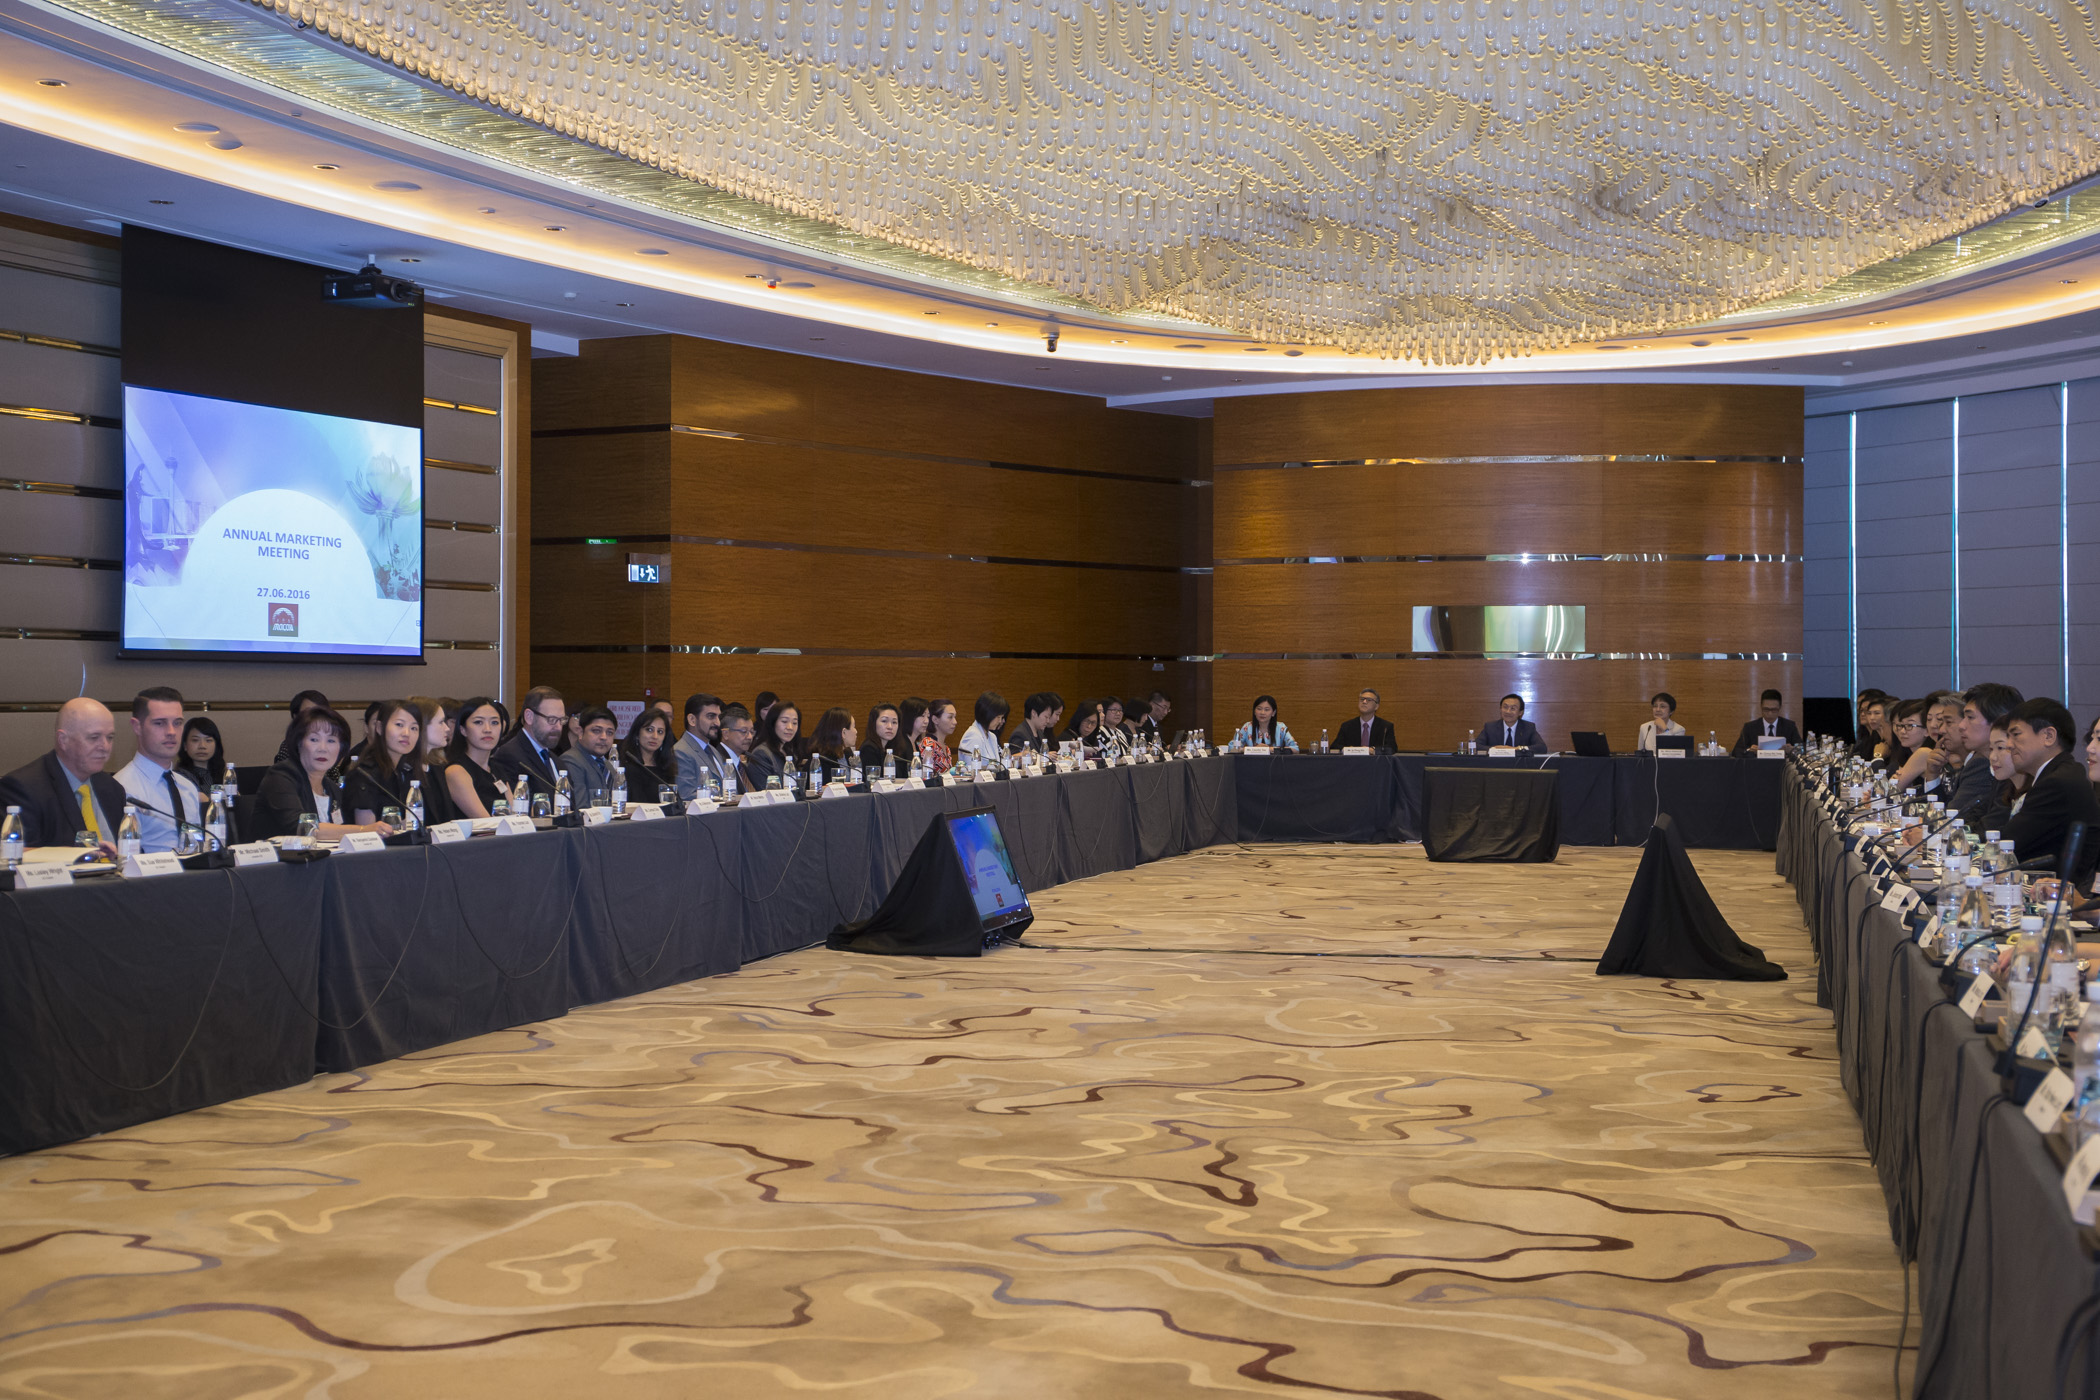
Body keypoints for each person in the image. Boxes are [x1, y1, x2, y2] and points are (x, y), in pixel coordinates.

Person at [0, 697, 124, 853]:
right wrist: (73, 854)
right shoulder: (23, 788)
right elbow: (14, 854)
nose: (105, 746)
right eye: (94, 738)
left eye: (110, 737)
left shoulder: (112, 788)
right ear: (63, 740)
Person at [254, 707, 392, 842]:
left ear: (341, 748)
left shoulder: (332, 789)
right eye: (314, 740)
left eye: (331, 741)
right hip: (276, 857)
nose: (323, 748)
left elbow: (342, 829)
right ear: (299, 743)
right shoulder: (281, 777)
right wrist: (364, 830)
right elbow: (305, 829)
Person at [2003, 698, 2100, 879]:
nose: (2009, 744)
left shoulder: (2058, 782)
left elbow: (2007, 844)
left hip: (2063, 891)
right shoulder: (2061, 773)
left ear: (2048, 736)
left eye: (2015, 734)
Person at [113, 687, 203, 854]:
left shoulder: (187, 787)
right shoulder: (122, 789)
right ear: (137, 727)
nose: (171, 732)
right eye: (159, 723)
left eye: (177, 723)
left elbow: (197, 846)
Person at [1944, 682, 2023, 823]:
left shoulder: (2014, 775)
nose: (1961, 726)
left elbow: (1990, 825)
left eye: (1970, 717)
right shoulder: (1993, 768)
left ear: (2000, 720)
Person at [344, 699, 423, 825]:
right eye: (399, 725)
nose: (407, 733)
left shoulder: (405, 771)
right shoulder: (364, 774)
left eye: (414, 728)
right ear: (380, 728)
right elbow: (366, 832)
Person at [492, 686, 566, 801]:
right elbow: (520, 806)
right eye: (551, 719)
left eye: (561, 720)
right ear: (529, 717)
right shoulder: (510, 756)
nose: (558, 727)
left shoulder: (557, 761)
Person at [443, 697, 511, 820]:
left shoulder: (497, 768)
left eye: (494, 723)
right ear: (463, 730)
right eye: (478, 722)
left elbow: (516, 816)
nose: (488, 729)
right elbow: (486, 822)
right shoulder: (456, 771)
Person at [558, 705, 621, 807]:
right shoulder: (571, 761)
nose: (604, 737)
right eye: (596, 731)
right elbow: (580, 807)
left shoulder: (607, 764)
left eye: (610, 733)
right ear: (580, 733)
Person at [409, 696, 458, 825]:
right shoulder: (405, 771)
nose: (447, 728)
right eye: (441, 722)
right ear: (422, 726)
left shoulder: (437, 767)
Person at [674, 693, 729, 800]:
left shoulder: (713, 750)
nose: (717, 723)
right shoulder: (680, 752)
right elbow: (686, 796)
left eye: (718, 717)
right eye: (711, 716)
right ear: (692, 720)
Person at [622, 707, 679, 801]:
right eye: (649, 730)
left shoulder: (667, 767)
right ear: (637, 733)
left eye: (660, 732)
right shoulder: (626, 767)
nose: (655, 736)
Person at [746, 700, 802, 789]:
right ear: (772, 723)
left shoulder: (790, 752)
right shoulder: (761, 753)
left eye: (794, 723)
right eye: (784, 721)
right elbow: (766, 791)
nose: (790, 727)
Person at [1730, 689, 1802, 756]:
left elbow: (1802, 750)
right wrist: (1750, 750)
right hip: (1757, 765)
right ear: (1761, 707)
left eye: (1774, 710)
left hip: (1782, 765)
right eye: (1766, 709)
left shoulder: (1789, 726)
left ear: (1780, 707)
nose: (1770, 713)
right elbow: (1736, 751)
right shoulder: (1749, 727)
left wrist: (1792, 750)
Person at [271, 688, 331, 764]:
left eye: (320, 712)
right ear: (295, 716)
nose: (315, 717)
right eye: (309, 712)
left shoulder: (329, 743)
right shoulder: (289, 748)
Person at [175, 715, 228, 793]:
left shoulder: (224, 775)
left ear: (216, 745)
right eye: (195, 740)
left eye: (208, 740)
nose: (202, 746)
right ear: (185, 745)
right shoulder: (180, 777)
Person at [1878, 698, 1930, 774]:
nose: (1902, 731)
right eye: (1901, 725)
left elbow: (1893, 780)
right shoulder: (1904, 753)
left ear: (1927, 730)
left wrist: (1877, 756)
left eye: (1909, 725)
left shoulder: (1925, 754)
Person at [715, 703, 758, 794]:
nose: (750, 737)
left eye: (751, 732)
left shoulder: (743, 765)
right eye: (744, 731)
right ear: (726, 734)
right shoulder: (717, 760)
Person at [1480, 694, 1545, 753]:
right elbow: (1476, 746)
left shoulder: (1528, 727)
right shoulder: (1490, 727)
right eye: (1505, 707)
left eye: (1513, 708)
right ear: (1500, 709)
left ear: (1520, 712)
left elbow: (1542, 748)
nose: (1508, 711)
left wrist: (1517, 748)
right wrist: (1495, 749)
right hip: (1496, 762)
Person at [809, 707, 861, 780]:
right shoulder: (823, 760)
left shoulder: (847, 753)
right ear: (844, 733)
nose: (856, 731)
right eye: (854, 727)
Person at [959, 692, 1009, 765]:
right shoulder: (972, 735)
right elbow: (971, 767)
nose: (1000, 721)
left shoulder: (992, 736)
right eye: (998, 717)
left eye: (1001, 717)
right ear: (987, 714)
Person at [1234, 695, 1298, 751]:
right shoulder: (1247, 727)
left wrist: (1269, 749)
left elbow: (1295, 748)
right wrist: (1254, 749)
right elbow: (1232, 748)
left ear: (1273, 713)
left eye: (1267, 709)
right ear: (1254, 711)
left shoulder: (1281, 727)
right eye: (1259, 709)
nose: (1262, 713)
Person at [920, 698, 958, 776]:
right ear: (935, 719)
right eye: (950, 717)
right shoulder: (928, 744)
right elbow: (926, 775)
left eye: (955, 717)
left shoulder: (946, 747)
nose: (955, 722)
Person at [861, 704, 903, 773]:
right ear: (873, 723)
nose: (890, 727)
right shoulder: (869, 748)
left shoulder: (892, 749)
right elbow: (873, 778)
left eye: (894, 722)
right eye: (884, 721)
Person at [1851, 695, 1891, 761]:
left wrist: (1877, 756)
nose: (1872, 717)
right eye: (1869, 713)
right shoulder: (1870, 737)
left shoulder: (1890, 740)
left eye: (1877, 713)